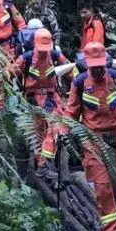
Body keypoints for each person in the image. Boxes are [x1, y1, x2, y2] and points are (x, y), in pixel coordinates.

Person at [40, 42, 116, 231]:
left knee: (115, 185)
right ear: (88, 65)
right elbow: (70, 113)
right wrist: (62, 130)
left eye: (101, 66)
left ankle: (105, 219)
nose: (98, 70)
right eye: (94, 66)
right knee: (103, 188)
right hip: (94, 143)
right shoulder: (79, 84)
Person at [13, 29, 73, 164]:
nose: (43, 51)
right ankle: (41, 166)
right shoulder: (26, 58)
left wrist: (74, 88)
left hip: (52, 97)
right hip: (32, 97)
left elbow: (71, 71)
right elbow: (10, 73)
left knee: (56, 125)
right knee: (38, 133)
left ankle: (45, 163)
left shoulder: (56, 56)